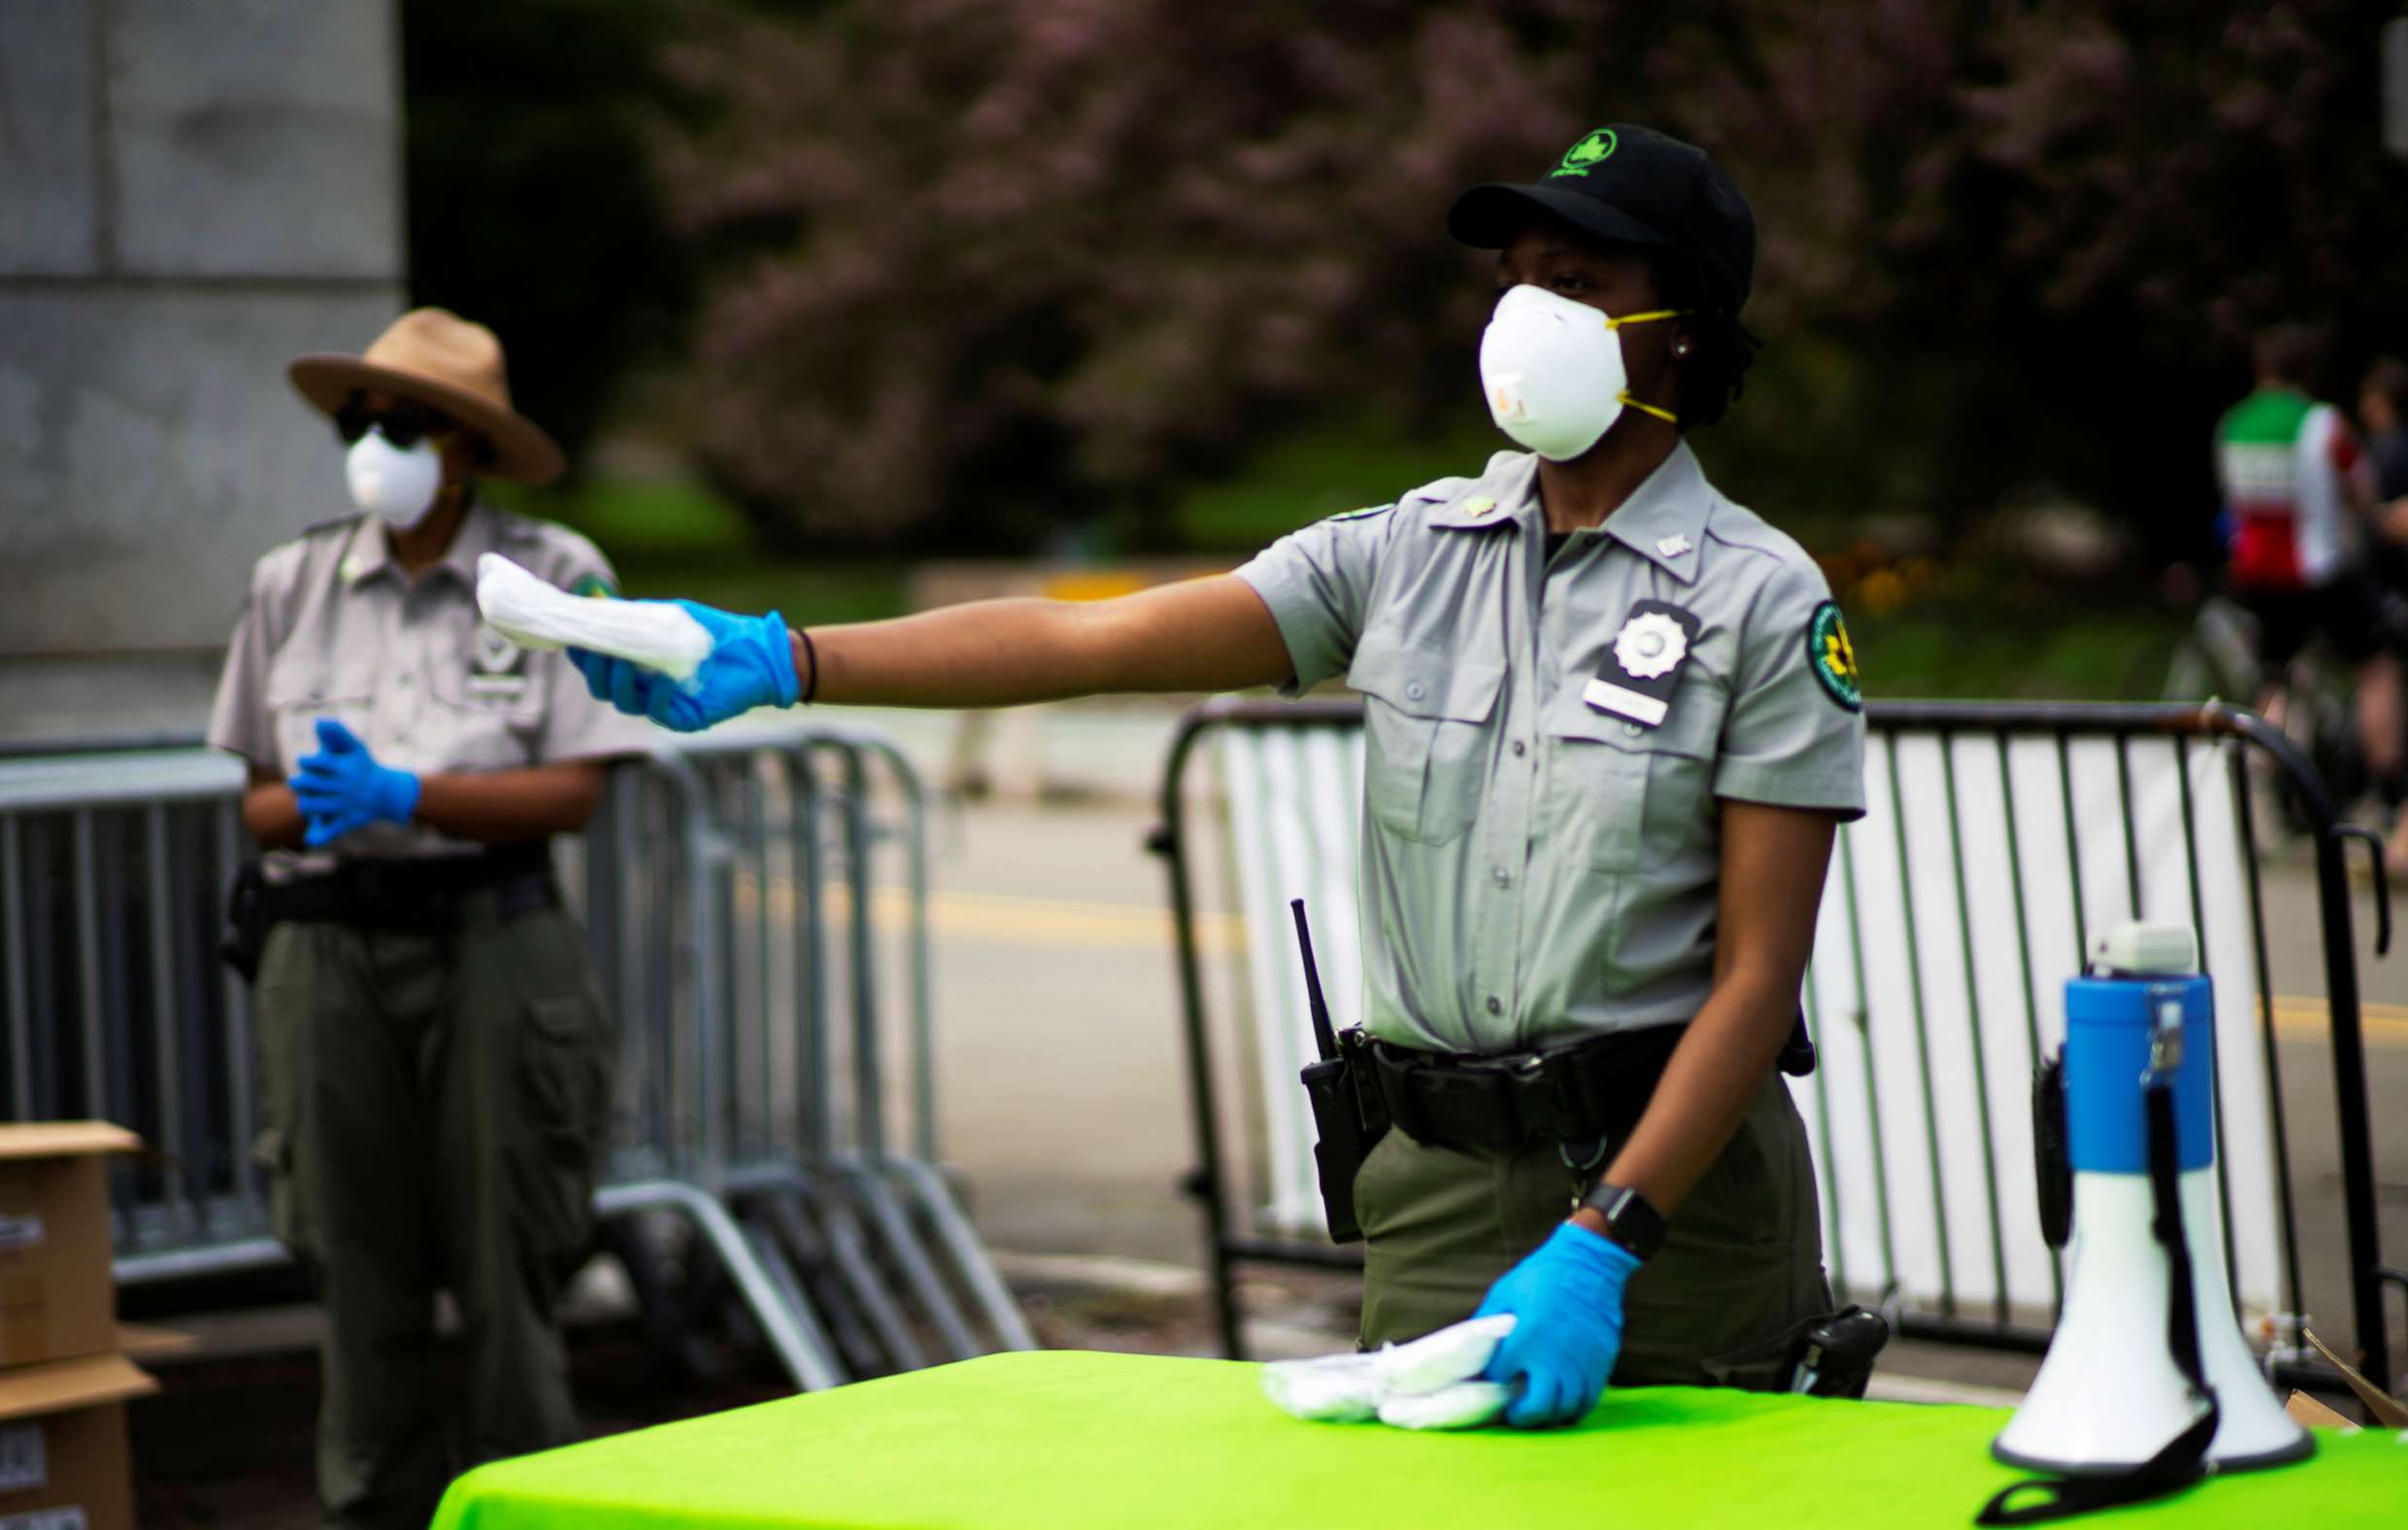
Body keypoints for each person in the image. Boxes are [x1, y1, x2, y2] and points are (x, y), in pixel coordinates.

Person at [568, 125, 1866, 1428]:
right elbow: (1094, 636)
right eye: (1516, 280)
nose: (1530, 315)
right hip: (1434, 1198)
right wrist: (785, 657)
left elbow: (1756, 982)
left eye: (1576, 283)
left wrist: (1603, 1242)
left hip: (1670, 1215)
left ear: (1684, 322)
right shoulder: (1404, 554)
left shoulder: (1758, 602)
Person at [208, 308, 651, 1528]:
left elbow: (573, 791)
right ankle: (372, 1505)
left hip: (492, 937)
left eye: (404, 423)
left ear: (465, 446)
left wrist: (415, 793)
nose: (374, 444)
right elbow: (251, 801)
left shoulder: (556, 578)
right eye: (361, 419)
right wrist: (319, 801)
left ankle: (528, 1504)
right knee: (352, 1261)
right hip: (326, 941)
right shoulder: (290, 581)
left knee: (512, 1258)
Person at [2213, 325, 2406, 834]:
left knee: (2274, 679)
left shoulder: (2234, 424)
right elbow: (2361, 490)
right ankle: (2389, 793)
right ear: (2308, 371)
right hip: (2318, 570)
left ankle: (2262, 791)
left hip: (2256, 575)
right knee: (2375, 670)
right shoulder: (2320, 423)